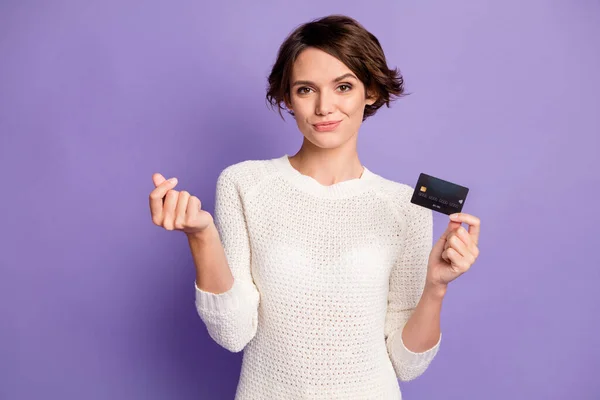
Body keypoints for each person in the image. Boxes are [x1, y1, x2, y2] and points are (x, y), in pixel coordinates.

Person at [148, 14, 481, 400]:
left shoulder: (405, 207)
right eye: (306, 90)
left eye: (343, 86)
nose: (325, 106)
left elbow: (408, 365)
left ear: (370, 91)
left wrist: (436, 287)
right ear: (288, 97)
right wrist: (202, 236)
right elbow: (232, 333)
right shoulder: (245, 184)